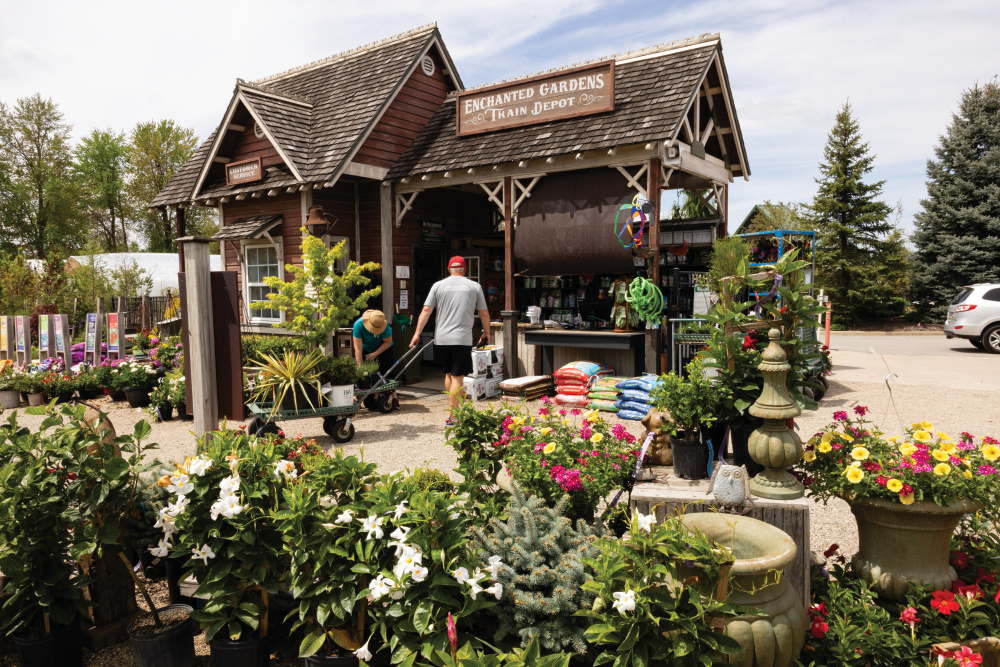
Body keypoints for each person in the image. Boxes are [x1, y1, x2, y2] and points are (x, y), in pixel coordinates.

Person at [409, 256, 490, 425]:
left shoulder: (438, 286)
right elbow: (483, 312)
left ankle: (453, 412)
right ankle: (453, 416)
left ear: (449, 269)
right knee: (458, 377)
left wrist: (417, 333)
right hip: (462, 338)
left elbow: (426, 310)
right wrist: (486, 332)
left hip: (442, 338)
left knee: (448, 374)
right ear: (465, 269)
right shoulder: (474, 286)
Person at [352, 309, 399, 410]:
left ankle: (394, 398)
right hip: (365, 349)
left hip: (384, 349)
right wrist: (360, 366)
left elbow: (387, 342)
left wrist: (375, 354)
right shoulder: (358, 325)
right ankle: (356, 398)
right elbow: (358, 349)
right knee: (362, 374)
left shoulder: (385, 326)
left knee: (388, 372)